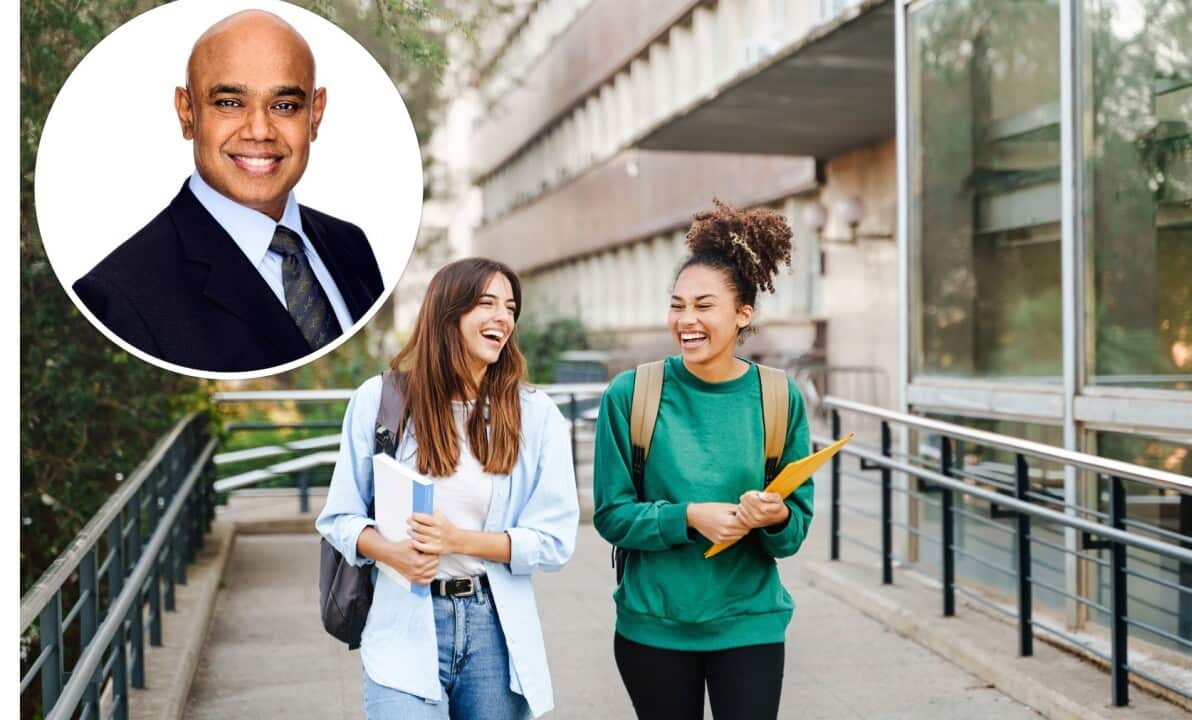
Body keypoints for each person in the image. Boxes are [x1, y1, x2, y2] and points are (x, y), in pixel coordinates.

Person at [316, 257, 578, 720]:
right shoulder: (380, 402)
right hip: (403, 627)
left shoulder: (536, 416)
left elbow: (555, 542)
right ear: (446, 313)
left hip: (495, 632)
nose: (504, 318)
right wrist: (391, 551)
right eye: (487, 303)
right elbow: (339, 518)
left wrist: (458, 541)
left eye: (511, 307)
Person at [592, 200, 813, 720]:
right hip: (654, 625)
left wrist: (774, 515)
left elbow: (795, 528)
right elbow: (611, 515)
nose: (686, 319)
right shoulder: (631, 394)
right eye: (677, 304)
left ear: (742, 315)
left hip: (750, 621)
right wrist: (689, 517)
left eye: (703, 305)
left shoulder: (780, 398)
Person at [72, 9, 382, 373]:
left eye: (284, 106)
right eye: (230, 103)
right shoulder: (119, 298)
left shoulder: (352, 246)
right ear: (187, 113)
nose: (259, 130)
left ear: (315, 115)